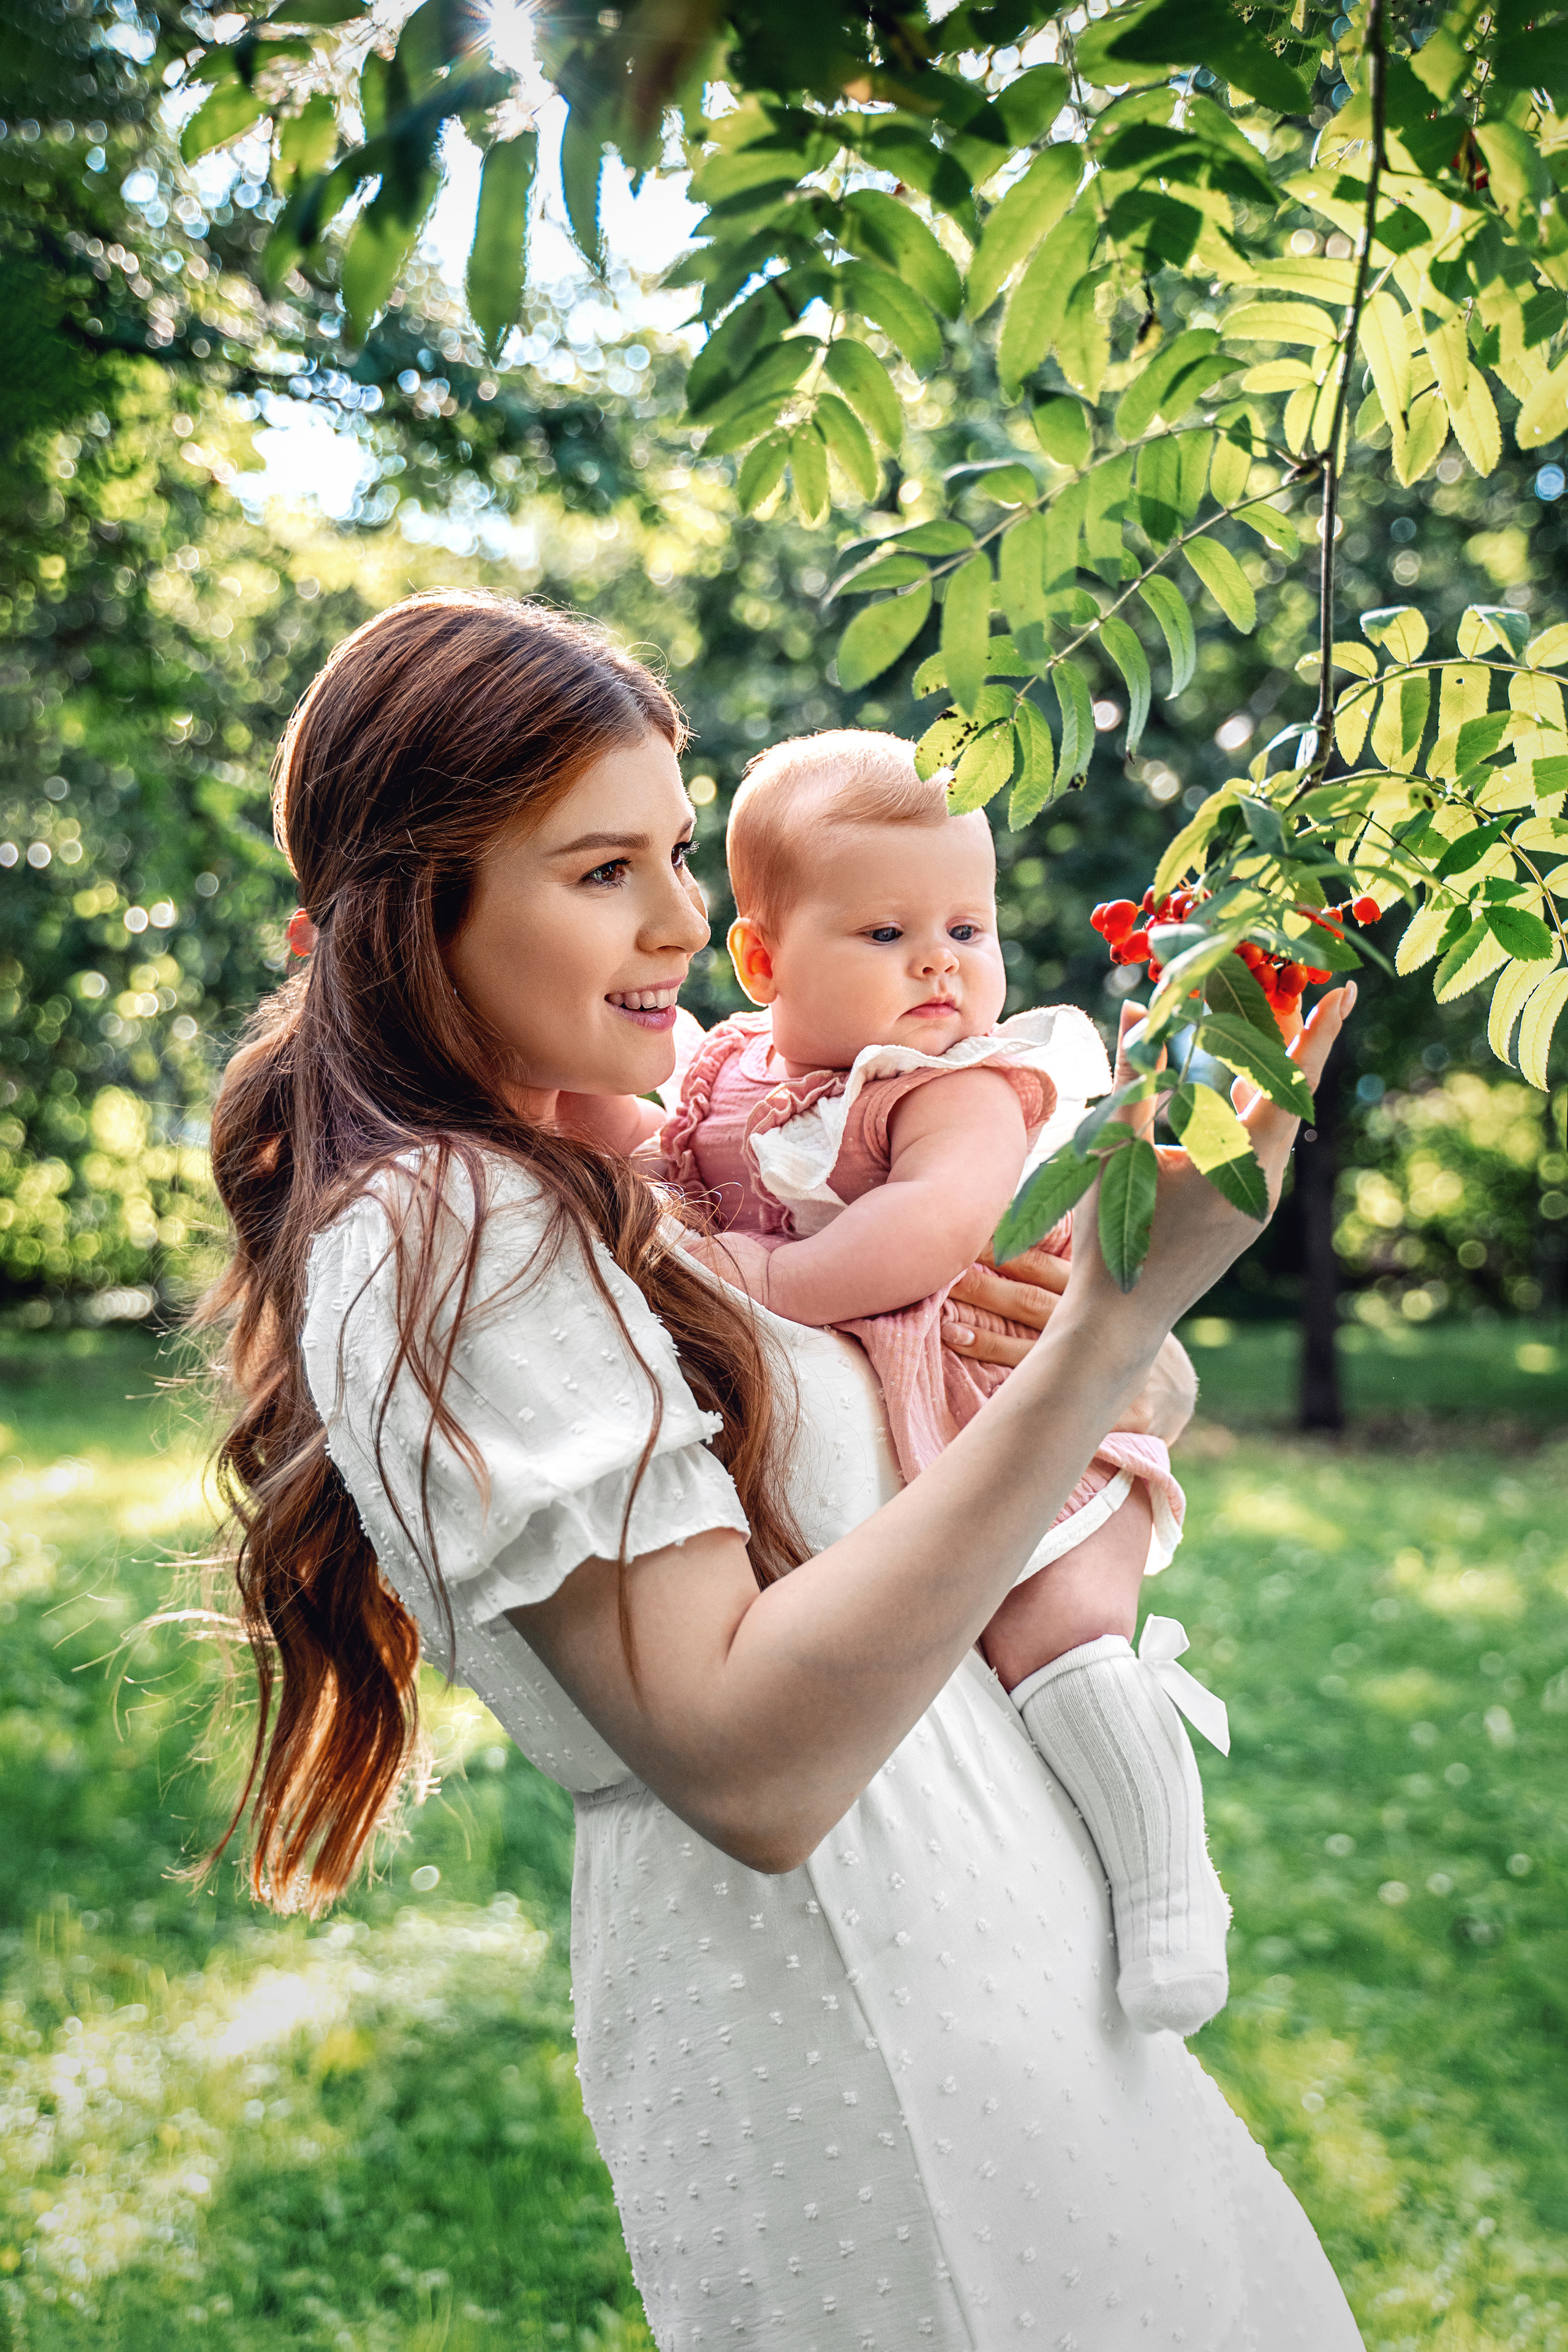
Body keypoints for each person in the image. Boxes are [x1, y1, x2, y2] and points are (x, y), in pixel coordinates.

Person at [203, 589, 1365, 2350]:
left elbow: (911, 1461)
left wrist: (1103, 1358)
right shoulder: (444, 1230)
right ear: (412, 910)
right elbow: (750, 1769)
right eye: (603, 873)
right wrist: (1109, 1339)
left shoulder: (649, 1195)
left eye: (677, 852)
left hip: (1005, 1968)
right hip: (848, 2010)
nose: (683, 921)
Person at [655, 729, 1229, 2038]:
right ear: (760, 960)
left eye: (967, 927)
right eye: (884, 932)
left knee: (1063, 1649)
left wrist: (746, 1274)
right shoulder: (728, 1069)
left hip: (1032, 1436)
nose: (940, 963)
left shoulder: (955, 1082)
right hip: (931, 1461)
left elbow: (924, 1232)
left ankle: (1168, 1892)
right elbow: (665, 1164)